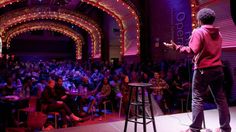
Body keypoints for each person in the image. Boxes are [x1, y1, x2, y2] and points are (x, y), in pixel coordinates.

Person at [164, 8, 231, 132]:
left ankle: (195, 129)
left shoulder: (198, 32)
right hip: (218, 69)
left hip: (203, 70)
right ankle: (225, 128)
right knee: (221, 99)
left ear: (199, 20)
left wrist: (176, 47)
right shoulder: (219, 34)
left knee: (197, 98)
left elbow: (191, 50)